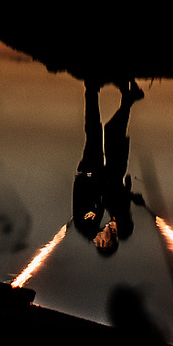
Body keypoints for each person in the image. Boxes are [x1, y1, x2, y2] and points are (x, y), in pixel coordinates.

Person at [71, 78, 144, 256]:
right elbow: (110, 200)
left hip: (91, 170)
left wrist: (108, 211)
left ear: (103, 243)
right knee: (111, 132)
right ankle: (125, 99)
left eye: (111, 238)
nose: (112, 233)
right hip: (104, 172)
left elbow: (94, 203)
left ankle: (92, 88)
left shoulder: (87, 225)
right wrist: (129, 197)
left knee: (95, 131)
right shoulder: (94, 225)